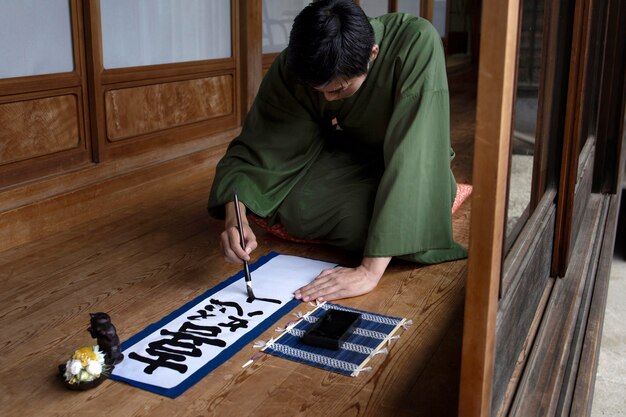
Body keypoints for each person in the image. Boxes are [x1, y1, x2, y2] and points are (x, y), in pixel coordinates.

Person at [208, 0, 467, 303]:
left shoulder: (416, 42)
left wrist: (368, 272)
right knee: (296, 206)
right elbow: (261, 145)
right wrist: (234, 218)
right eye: (320, 91)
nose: (329, 99)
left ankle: (399, 228)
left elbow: (415, 153)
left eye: (339, 89)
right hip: (349, 153)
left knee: (388, 219)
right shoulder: (298, 62)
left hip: (414, 156)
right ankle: (388, 227)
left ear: (373, 54)